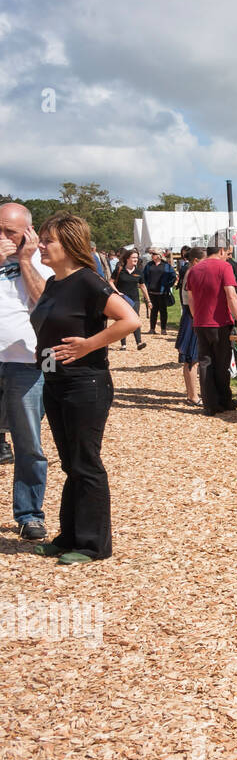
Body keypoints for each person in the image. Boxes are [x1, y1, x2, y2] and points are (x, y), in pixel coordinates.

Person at [29, 211, 140, 563]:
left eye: (49, 241)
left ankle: (93, 545)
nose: (42, 246)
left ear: (70, 245)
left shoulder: (89, 281)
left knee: (85, 462)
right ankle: (69, 536)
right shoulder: (53, 283)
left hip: (85, 383)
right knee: (70, 463)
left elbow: (130, 318)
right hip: (55, 380)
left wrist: (89, 344)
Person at [0, 201, 54, 541]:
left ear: (28, 234)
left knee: (29, 443)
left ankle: (30, 514)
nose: (3, 237)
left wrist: (23, 259)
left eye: (10, 232)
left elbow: (44, 304)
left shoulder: (41, 265)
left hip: (27, 364)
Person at [187, 243, 237, 415]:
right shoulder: (224, 266)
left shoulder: (194, 270)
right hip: (219, 323)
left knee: (205, 363)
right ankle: (224, 400)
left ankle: (210, 404)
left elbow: (190, 297)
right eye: (226, 253)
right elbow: (231, 294)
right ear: (220, 251)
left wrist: (196, 317)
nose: (227, 256)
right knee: (221, 363)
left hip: (200, 323)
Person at [174, 246, 202, 406]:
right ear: (196, 261)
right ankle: (192, 395)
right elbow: (191, 300)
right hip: (192, 317)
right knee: (192, 357)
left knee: (193, 358)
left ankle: (193, 393)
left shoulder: (191, 272)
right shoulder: (192, 273)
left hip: (191, 316)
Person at [111, 248, 147, 350]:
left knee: (135, 319)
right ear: (127, 258)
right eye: (133, 257)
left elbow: (143, 286)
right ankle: (123, 344)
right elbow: (110, 282)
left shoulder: (139, 272)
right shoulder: (119, 270)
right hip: (122, 299)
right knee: (123, 319)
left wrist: (148, 300)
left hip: (134, 299)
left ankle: (139, 343)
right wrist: (117, 292)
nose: (136, 259)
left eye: (137, 257)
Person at [144, 249, 176, 334]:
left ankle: (163, 329)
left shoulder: (166, 266)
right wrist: (146, 286)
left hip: (162, 292)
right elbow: (144, 276)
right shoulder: (149, 265)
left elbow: (173, 276)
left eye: (154, 254)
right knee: (153, 311)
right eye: (152, 254)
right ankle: (152, 329)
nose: (152, 255)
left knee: (163, 311)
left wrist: (168, 285)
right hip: (151, 292)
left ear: (159, 255)